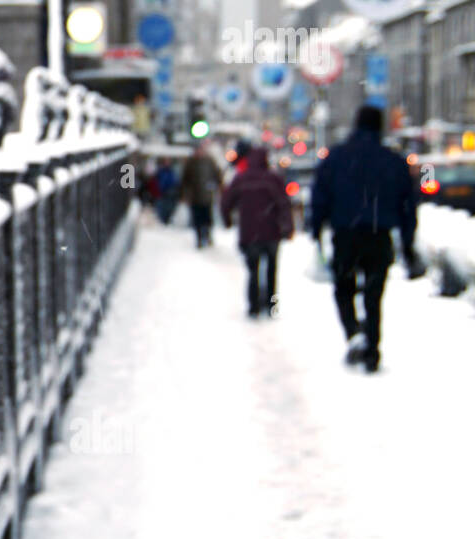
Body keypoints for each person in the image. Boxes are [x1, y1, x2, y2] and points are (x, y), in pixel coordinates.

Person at [309, 105, 422, 372]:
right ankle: (372, 347)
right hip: (378, 235)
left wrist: (316, 228)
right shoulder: (393, 160)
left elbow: (320, 195)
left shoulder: (337, 157)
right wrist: (407, 241)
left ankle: (353, 333)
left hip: (346, 234)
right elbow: (408, 204)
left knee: (344, 287)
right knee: (374, 293)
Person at [220, 146, 294, 318]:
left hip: (249, 234)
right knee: (272, 272)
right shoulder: (273, 179)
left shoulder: (241, 178)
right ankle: (273, 307)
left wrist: (227, 220)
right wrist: (287, 227)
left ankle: (253, 307)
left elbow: (226, 201)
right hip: (272, 234)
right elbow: (284, 204)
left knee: (253, 271)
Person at [181, 143, 222, 248]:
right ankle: (199, 238)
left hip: (207, 196)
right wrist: (186, 194)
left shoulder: (209, 161)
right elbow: (185, 180)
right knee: (197, 219)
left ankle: (207, 236)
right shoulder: (191, 163)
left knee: (207, 218)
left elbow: (217, 175)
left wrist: (217, 186)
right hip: (195, 196)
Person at [153, 158, 179, 225]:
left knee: (169, 208)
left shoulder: (172, 172)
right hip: (161, 193)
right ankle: (163, 221)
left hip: (170, 193)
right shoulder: (160, 171)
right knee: (162, 207)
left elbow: (174, 182)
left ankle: (167, 220)